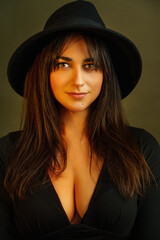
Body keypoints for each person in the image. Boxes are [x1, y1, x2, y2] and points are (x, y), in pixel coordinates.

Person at [0, 1, 160, 239]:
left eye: (90, 65)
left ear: (105, 74)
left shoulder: (142, 148)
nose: (78, 80)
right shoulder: (8, 152)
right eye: (63, 64)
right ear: (44, 73)